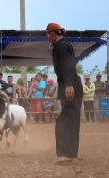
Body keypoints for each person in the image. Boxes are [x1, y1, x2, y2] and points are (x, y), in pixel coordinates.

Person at [46, 22, 83, 164]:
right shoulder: (60, 46)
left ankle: (66, 154)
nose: (47, 37)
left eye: (48, 34)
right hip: (71, 87)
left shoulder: (62, 46)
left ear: (53, 34)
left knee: (64, 121)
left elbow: (68, 65)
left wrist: (68, 85)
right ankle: (70, 153)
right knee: (71, 120)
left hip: (71, 88)